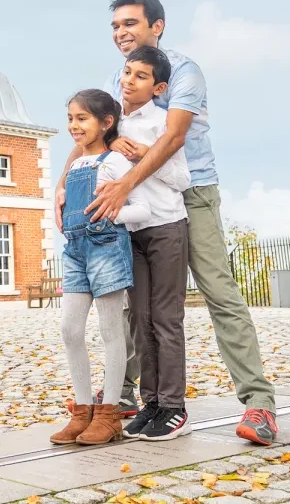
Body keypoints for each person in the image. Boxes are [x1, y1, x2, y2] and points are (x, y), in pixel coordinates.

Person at [55, 0, 279, 446]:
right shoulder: (115, 78)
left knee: (217, 291)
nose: (122, 33)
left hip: (189, 193)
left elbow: (174, 137)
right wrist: (62, 185)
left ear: (157, 26)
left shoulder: (183, 71)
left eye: (131, 24)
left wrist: (123, 183)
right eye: (116, 26)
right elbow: (90, 138)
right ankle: (124, 398)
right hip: (134, 206)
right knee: (132, 299)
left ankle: (259, 402)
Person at [51, 90, 151, 446]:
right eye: (71, 119)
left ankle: (109, 414)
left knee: (111, 332)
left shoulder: (116, 163)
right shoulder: (76, 164)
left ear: (106, 123)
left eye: (82, 119)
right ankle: (81, 411)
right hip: (76, 252)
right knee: (69, 329)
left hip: (107, 248)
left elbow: (143, 209)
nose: (74, 126)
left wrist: (111, 214)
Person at [112, 46, 192, 441]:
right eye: (128, 72)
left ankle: (174, 406)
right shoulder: (115, 126)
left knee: (165, 319)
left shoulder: (163, 123)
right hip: (131, 231)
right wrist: (114, 147)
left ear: (158, 87)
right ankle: (151, 404)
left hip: (165, 227)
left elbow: (182, 181)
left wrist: (147, 157)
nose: (130, 80)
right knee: (139, 320)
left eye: (141, 76)